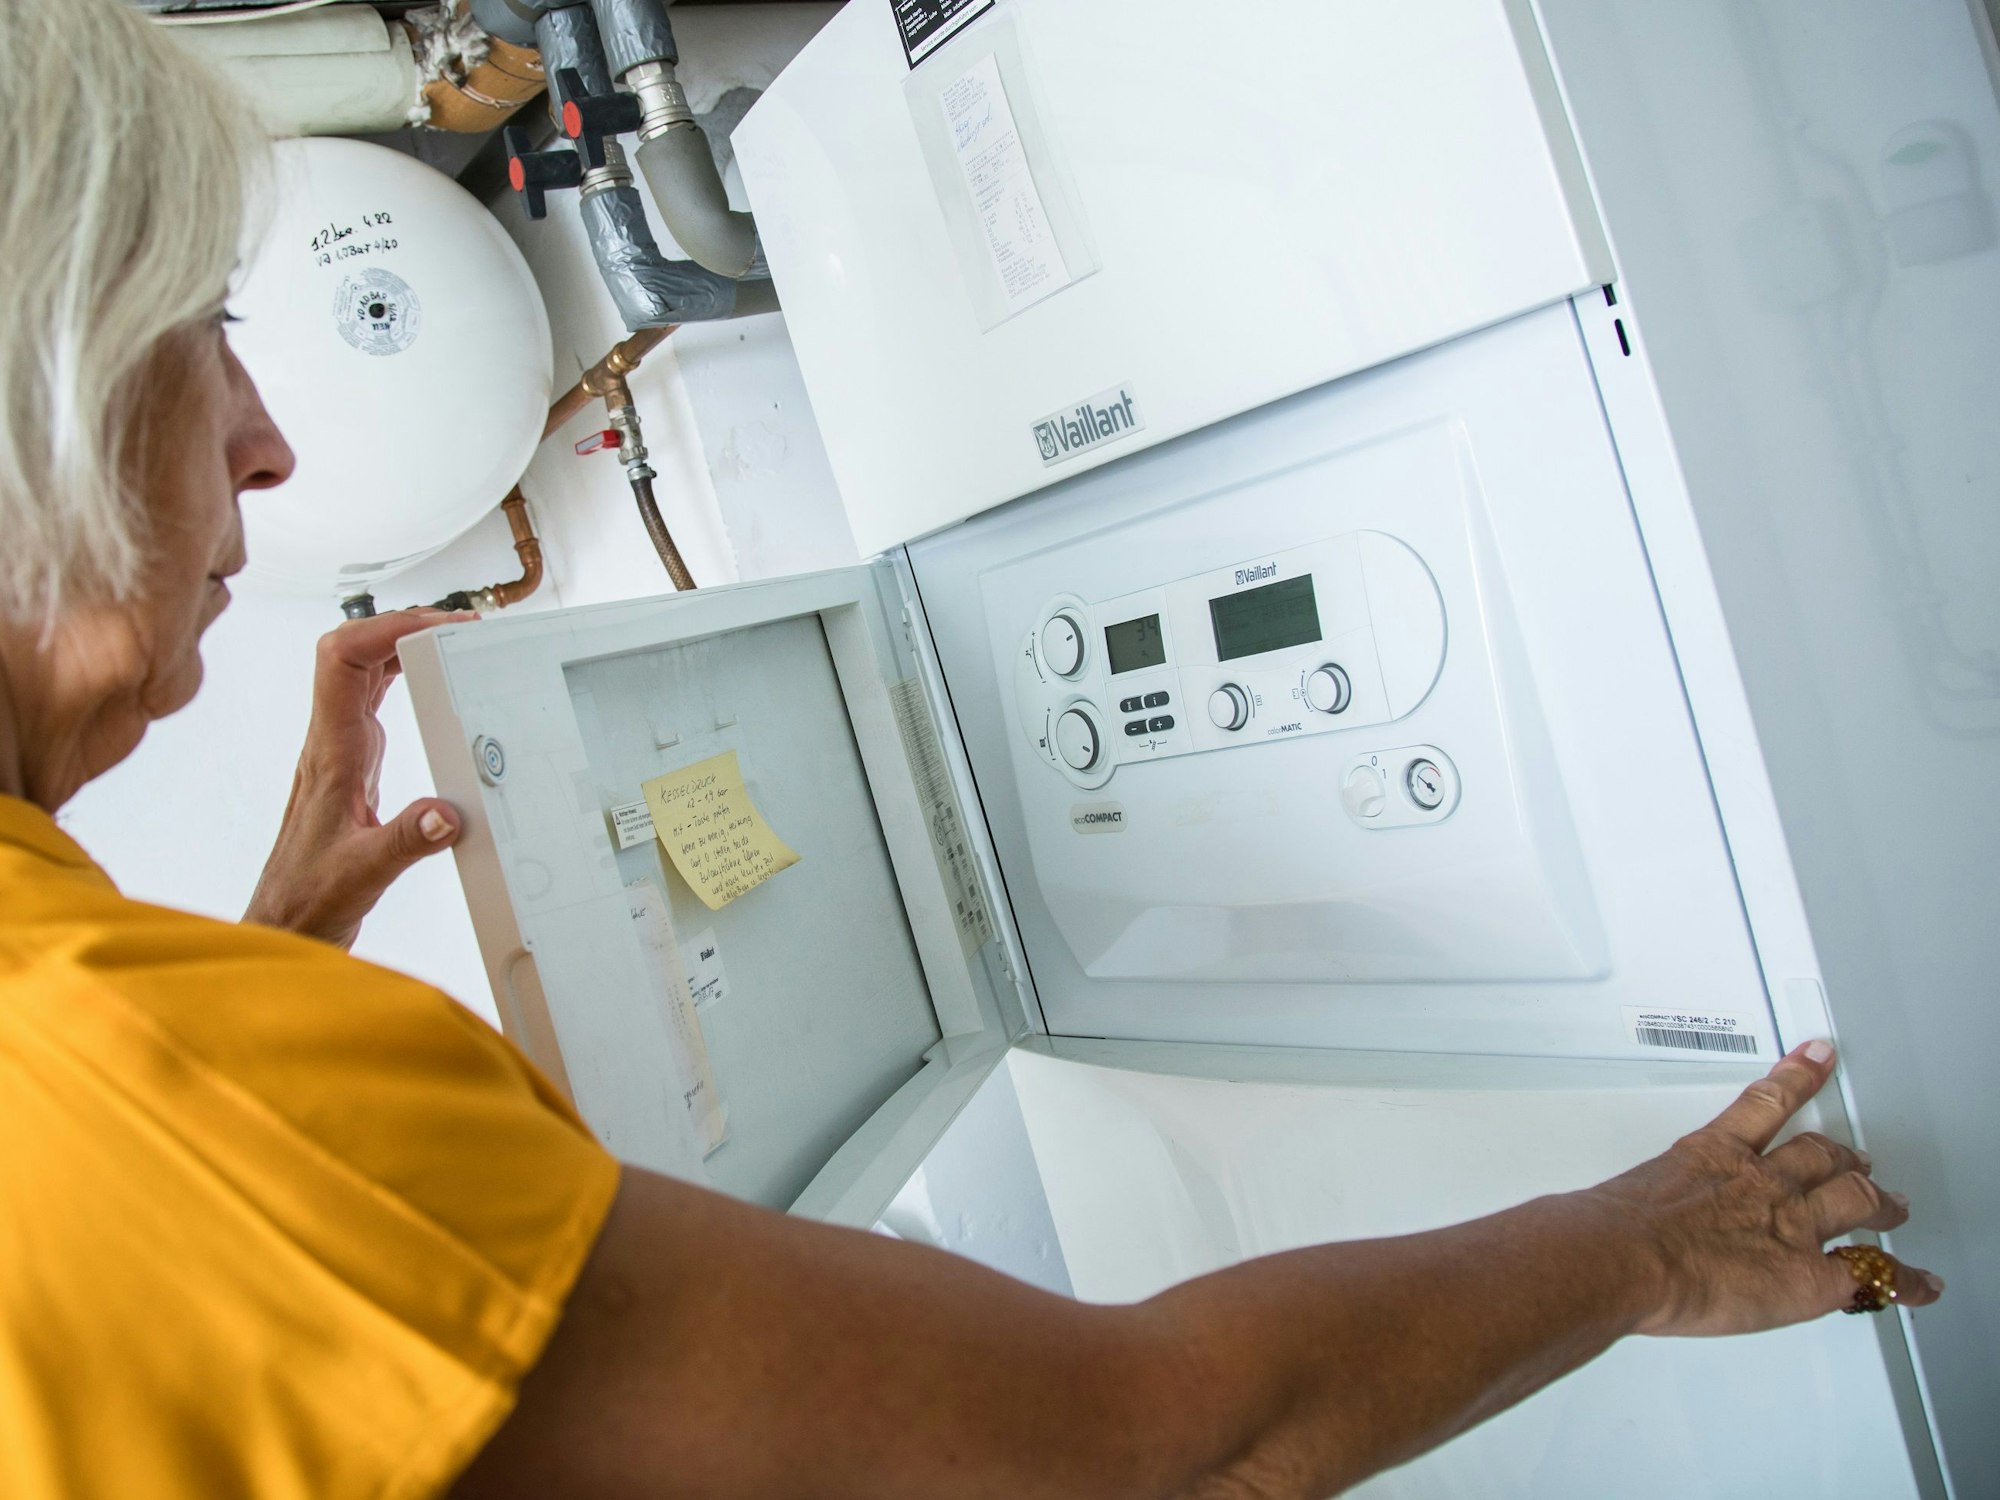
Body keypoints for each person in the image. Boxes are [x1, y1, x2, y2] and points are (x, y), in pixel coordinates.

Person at [0, 2, 1942, 1497]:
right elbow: (1152, 1456)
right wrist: (1641, 1251)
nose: (264, 438)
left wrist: (268, 953)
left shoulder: (111, 1047)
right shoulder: (131, 1082)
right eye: (200, 326)